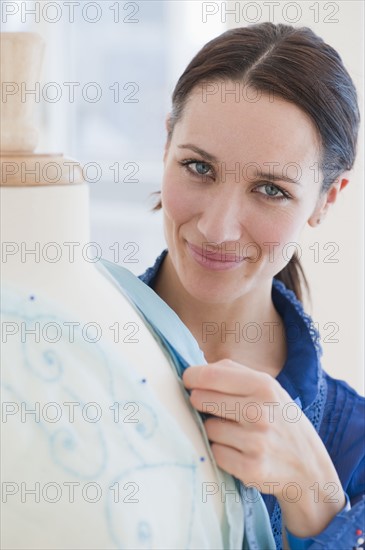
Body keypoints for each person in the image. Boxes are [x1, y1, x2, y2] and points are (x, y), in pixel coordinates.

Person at [138, 22, 365, 549]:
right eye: (198, 166)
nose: (217, 227)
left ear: (327, 200)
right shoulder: (63, 339)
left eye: (270, 189)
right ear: (167, 140)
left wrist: (315, 497)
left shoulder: (353, 447)